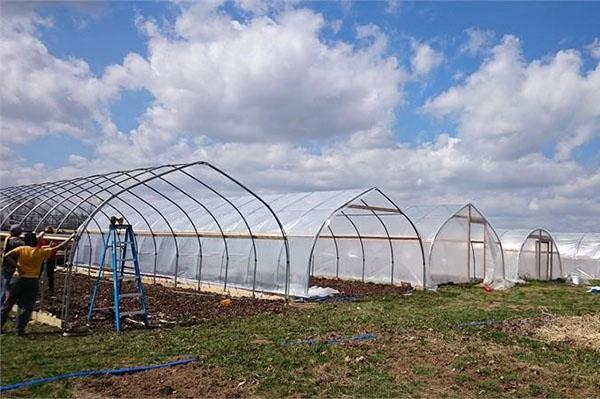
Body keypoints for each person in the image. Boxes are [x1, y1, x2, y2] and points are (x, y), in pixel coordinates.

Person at [1, 232, 75, 336]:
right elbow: (60, 246)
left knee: (7, 304)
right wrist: (71, 237)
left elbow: (7, 256)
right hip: (32, 281)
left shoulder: (22, 249)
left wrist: (18, 266)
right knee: (26, 306)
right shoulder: (41, 252)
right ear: (35, 241)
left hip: (17, 279)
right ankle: (19, 330)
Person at [1, 225, 24, 303]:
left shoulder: (8, 239)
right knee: (9, 288)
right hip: (12, 266)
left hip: (5, 266)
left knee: (5, 286)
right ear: (20, 233)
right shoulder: (18, 242)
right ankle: (2, 307)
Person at [39, 226, 59, 295]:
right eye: (46, 232)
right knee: (38, 273)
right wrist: (48, 246)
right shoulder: (43, 239)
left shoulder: (54, 239)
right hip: (41, 259)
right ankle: (37, 288)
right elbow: (39, 247)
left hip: (51, 259)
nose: (47, 233)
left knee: (50, 274)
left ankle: (51, 289)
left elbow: (55, 248)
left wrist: (49, 247)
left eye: (49, 232)